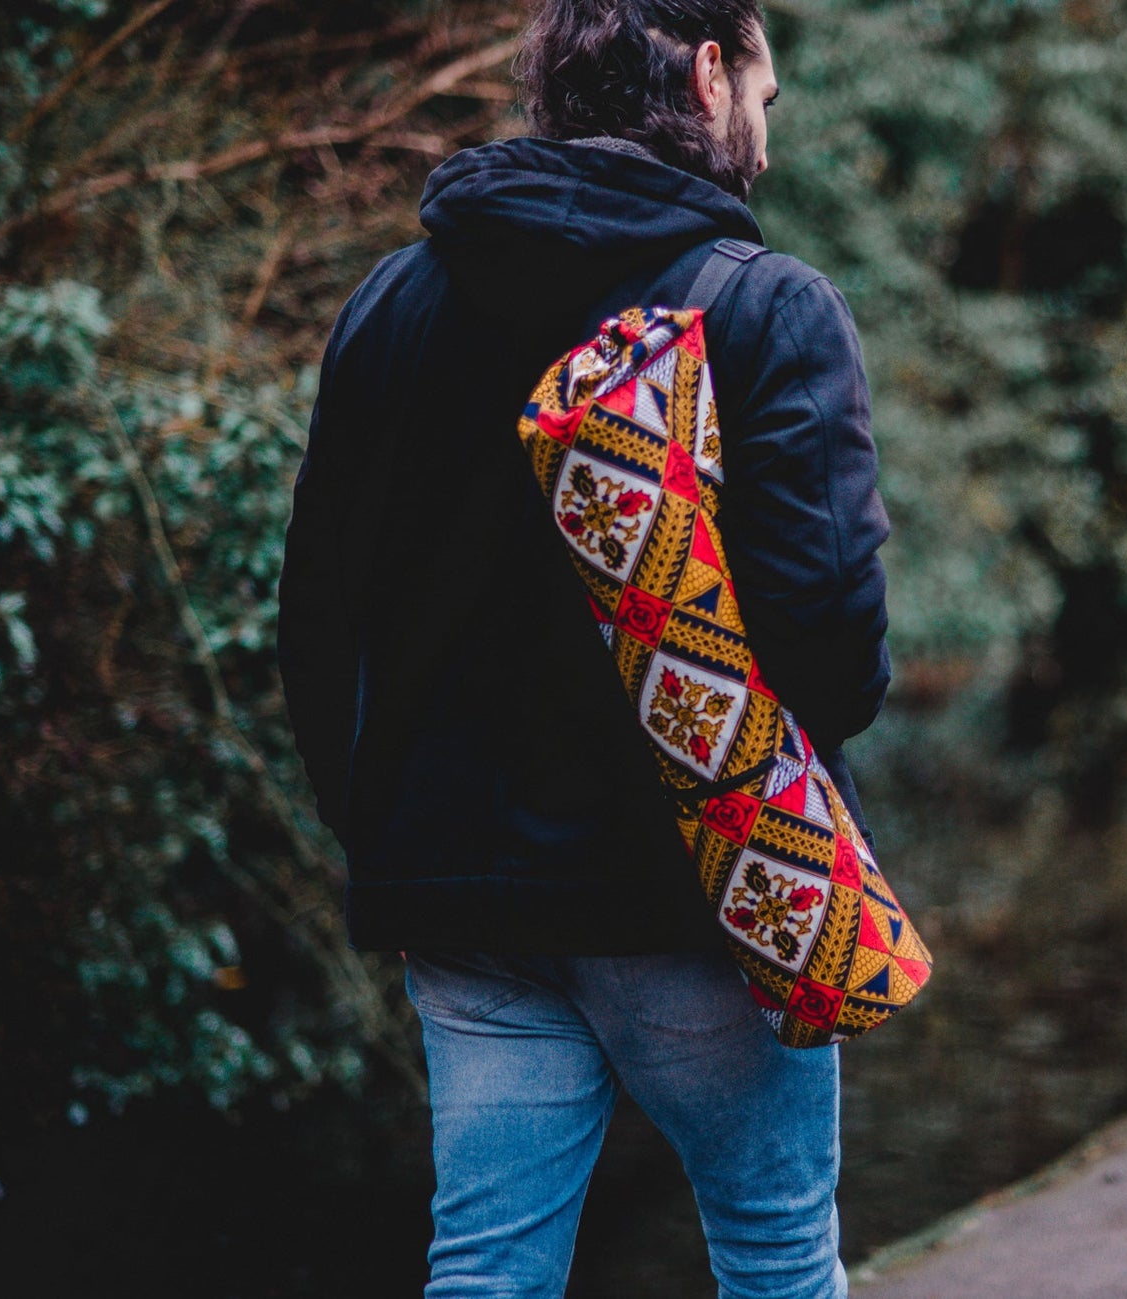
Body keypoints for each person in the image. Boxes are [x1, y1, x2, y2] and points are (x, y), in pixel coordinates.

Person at [275, 3, 891, 1295]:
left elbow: (319, 619)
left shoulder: (391, 301)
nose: (764, 150)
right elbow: (833, 647)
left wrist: (386, 829)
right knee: (776, 1252)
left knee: (486, 1267)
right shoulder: (764, 310)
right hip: (694, 893)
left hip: (456, 898)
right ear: (710, 71)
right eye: (763, 104)